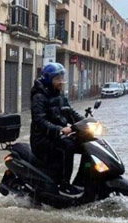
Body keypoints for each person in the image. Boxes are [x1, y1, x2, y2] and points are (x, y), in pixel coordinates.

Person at [30, 62, 85, 198]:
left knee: (84, 144)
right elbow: (40, 121)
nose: (61, 81)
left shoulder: (60, 95)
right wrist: (60, 130)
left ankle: (84, 181)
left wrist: (85, 122)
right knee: (68, 146)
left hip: (56, 136)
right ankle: (64, 185)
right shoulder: (39, 97)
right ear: (48, 79)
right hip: (42, 139)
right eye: (57, 78)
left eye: (62, 77)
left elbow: (70, 112)